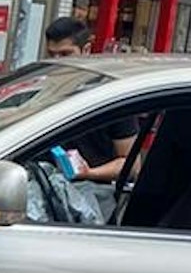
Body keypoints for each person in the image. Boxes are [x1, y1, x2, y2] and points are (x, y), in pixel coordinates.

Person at [42, 16, 137, 186]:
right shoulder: (40, 92)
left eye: (65, 54)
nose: (58, 62)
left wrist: (89, 173)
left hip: (92, 198)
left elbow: (132, 165)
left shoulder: (110, 97)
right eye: (52, 54)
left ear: (86, 50)